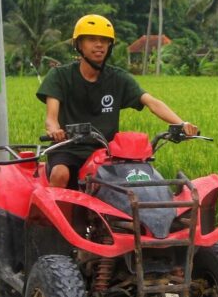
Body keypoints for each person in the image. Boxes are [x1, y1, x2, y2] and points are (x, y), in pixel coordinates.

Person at [36, 14, 198, 188]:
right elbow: (51, 118)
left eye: (104, 41)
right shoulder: (60, 76)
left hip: (104, 151)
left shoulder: (118, 78)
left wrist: (181, 124)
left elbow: (151, 102)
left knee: (127, 181)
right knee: (60, 174)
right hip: (67, 148)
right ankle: (60, 215)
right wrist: (55, 131)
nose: (99, 45)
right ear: (79, 45)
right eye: (92, 39)